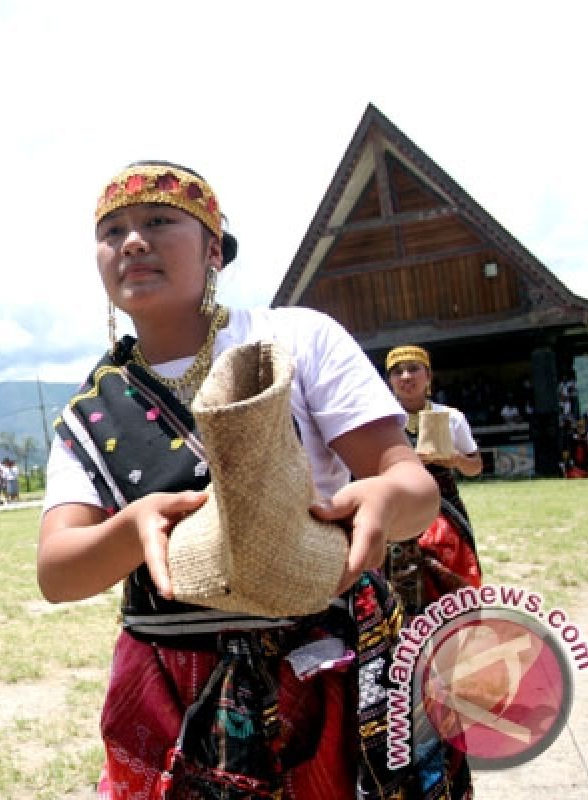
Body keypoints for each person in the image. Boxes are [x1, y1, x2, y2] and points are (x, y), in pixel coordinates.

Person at [37, 161, 458, 798]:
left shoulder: (296, 338)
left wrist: (385, 498)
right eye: (112, 231)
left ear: (214, 250)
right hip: (171, 685)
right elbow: (57, 571)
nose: (132, 241)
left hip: (323, 662)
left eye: (157, 221)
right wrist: (133, 527)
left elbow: (411, 483)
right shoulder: (91, 412)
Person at [385, 345, 484, 613]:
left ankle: (451, 629)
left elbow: (476, 466)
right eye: (397, 371)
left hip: (443, 504)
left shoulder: (452, 418)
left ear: (428, 376)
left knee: (446, 554)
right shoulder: (381, 420)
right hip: (396, 502)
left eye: (413, 369)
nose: (406, 376)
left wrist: (457, 460)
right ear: (390, 380)